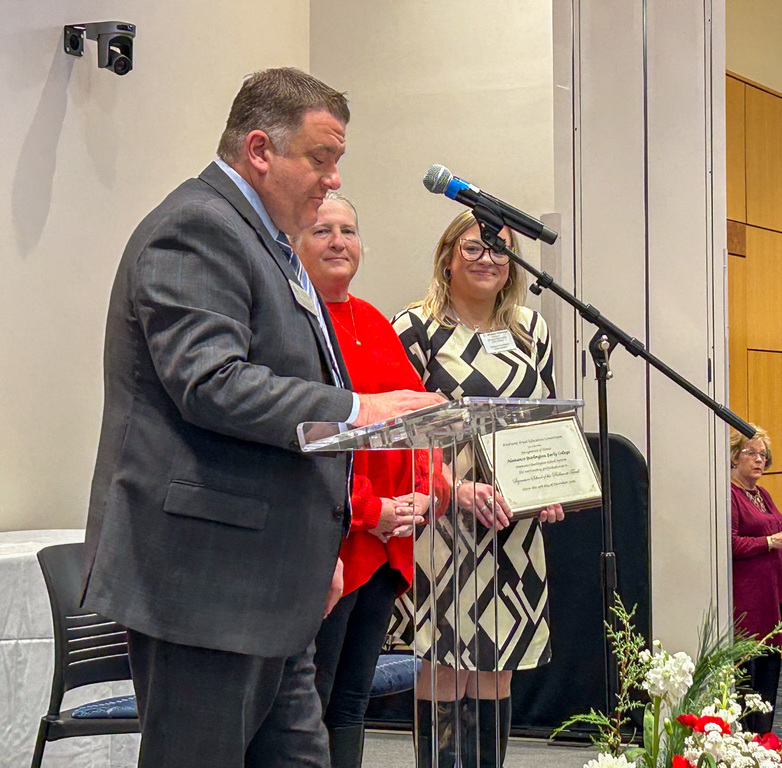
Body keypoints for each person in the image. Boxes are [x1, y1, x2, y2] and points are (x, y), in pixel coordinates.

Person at [81, 67, 442, 768]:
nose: (333, 179)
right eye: (321, 157)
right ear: (259, 149)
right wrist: (359, 408)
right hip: (207, 583)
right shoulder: (197, 226)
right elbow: (210, 383)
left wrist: (318, 548)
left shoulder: (270, 242)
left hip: (273, 581)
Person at [393, 210, 565, 768]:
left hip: (512, 526)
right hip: (441, 519)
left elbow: (546, 420)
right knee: (443, 668)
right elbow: (397, 433)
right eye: (473, 247)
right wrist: (451, 488)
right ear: (447, 256)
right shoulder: (414, 328)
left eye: (499, 247)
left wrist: (550, 484)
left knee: (497, 666)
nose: (488, 256)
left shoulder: (530, 329)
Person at [293, 191, 448, 768]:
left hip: (388, 541)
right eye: (322, 230)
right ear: (294, 241)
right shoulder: (297, 323)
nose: (338, 242)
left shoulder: (374, 321)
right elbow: (312, 440)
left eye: (349, 231)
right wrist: (369, 510)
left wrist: (422, 494)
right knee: (313, 697)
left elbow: (415, 417)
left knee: (352, 701)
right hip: (337, 538)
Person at [730, 425, 782, 735]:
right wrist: (770, 542)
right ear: (734, 456)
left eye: (763, 455)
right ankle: (749, 739)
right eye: (752, 453)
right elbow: (731, 544)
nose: (759, 460)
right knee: (749, 676)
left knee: (770, 672)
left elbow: (773, 531)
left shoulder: (762, 494)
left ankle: (764, 740)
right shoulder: (730, 495)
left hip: (772, 595)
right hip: (748, 602)